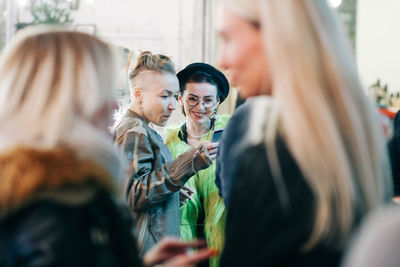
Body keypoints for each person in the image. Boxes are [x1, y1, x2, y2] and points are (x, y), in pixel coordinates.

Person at [0, 27, 215, 267]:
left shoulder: (67, 187)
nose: (114, 104)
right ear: (62, 100)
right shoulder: (50, 207)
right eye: (102, 91)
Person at [217, 0, 392, 266]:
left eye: (228, 39)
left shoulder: (273, 163)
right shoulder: (355, 145)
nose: (223, 59)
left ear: (277, 36)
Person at [113, 52, 218, 255]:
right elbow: (133, 195)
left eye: (174, 95)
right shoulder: (135, 130)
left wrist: (170, 197)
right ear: (138, 94)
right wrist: (190, 162)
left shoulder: (140, 128)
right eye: (164, 95)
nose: (172, 105)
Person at [165, 63, 230, 267]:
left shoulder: (232, 134)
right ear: (180, 98)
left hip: (227, 240)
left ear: (218, 101)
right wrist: (173, 196)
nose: (200, 108)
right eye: (192, 99)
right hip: (184, 244)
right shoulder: (166, 142)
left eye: (208, 100)